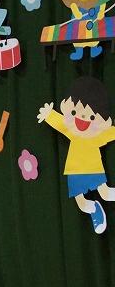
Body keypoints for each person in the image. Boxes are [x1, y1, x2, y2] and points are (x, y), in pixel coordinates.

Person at [38, 76, 115, 234]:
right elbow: (61, 123)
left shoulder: (97, 136)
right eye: (75, 112)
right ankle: (94, 209)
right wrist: (49, 115)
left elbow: (110, 133)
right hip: (74, 171)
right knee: (81, 203)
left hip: (94, 168)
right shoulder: (72, 131)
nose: (82, 119)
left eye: (92, 117)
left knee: (106, 193)